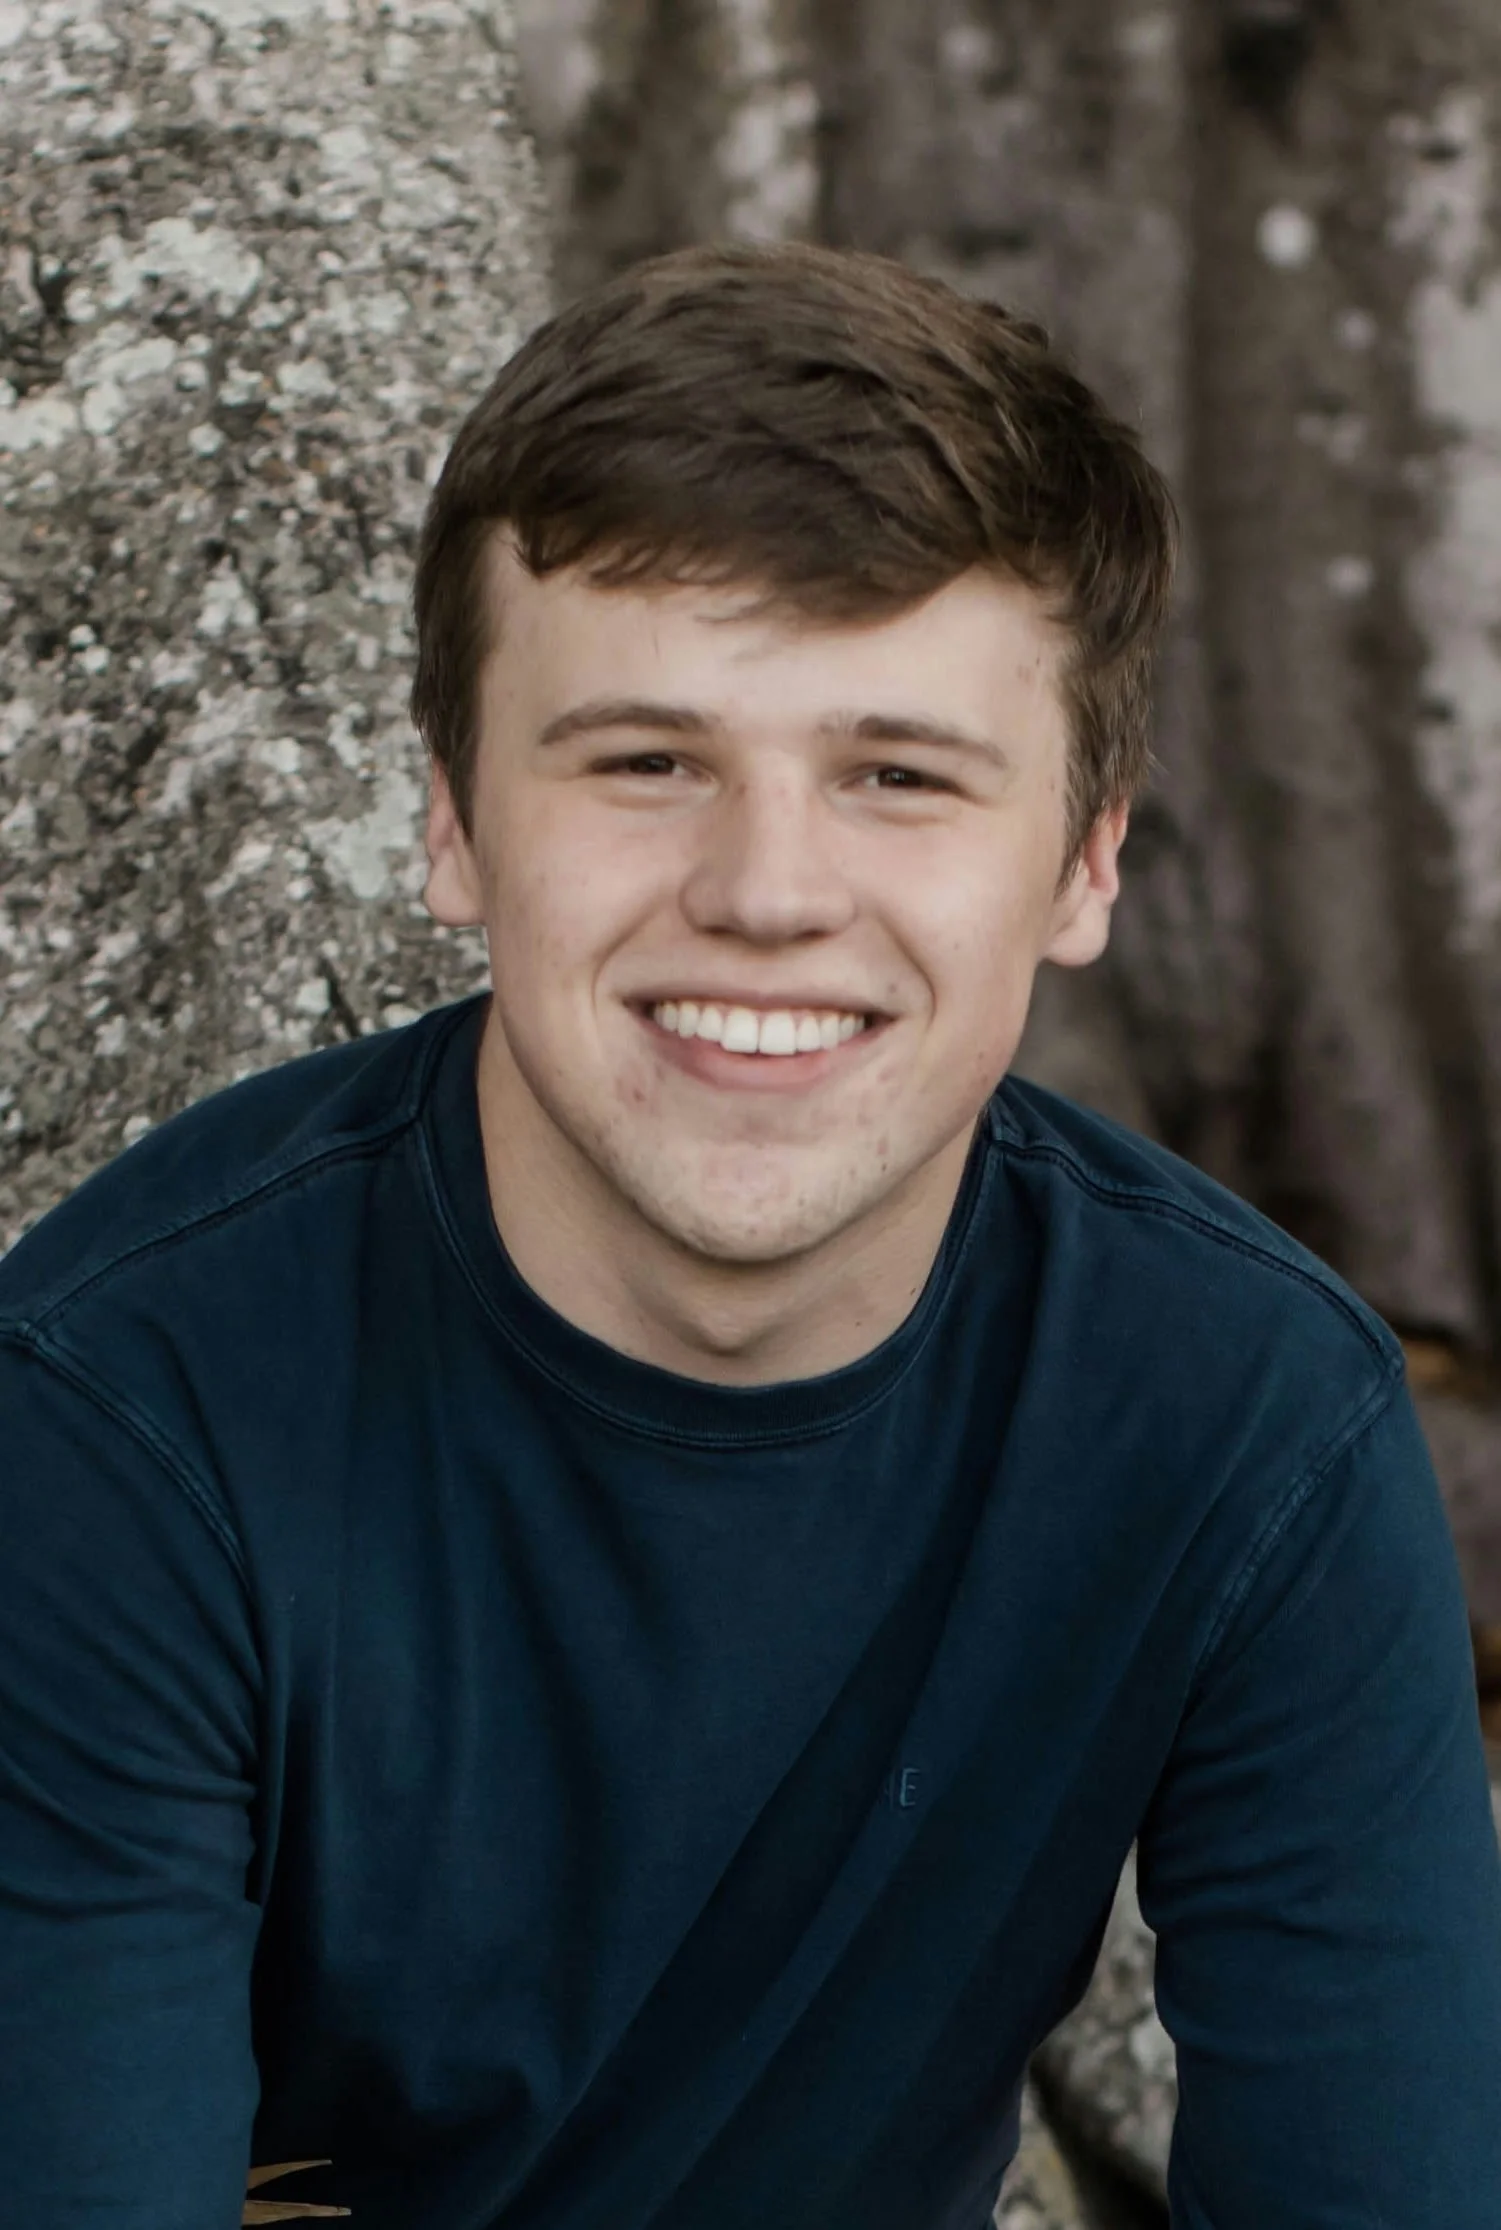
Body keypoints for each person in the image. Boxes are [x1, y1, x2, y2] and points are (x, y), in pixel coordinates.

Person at [1, 241, 1498, 2230]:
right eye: (646, 761)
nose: (769, 891)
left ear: (1087, 858)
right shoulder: (120, 1416)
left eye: (898, 775)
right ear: (450, 823)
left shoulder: (1247, 1416)